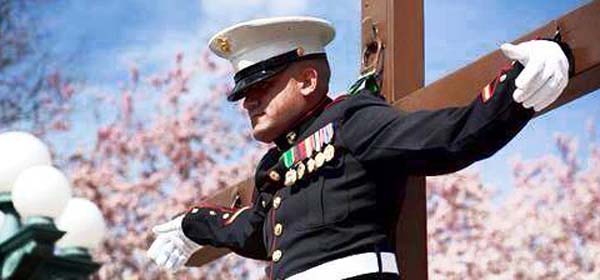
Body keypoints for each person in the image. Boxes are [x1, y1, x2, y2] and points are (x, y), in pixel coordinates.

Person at [147, 16, 571, 280]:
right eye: (244, 95)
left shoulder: (352, 120)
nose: (250, 102)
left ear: (308, 81)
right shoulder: (273, 165)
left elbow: (449, 139)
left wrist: (526, 80)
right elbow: (253, 232)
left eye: (260, 87)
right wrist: (193, 225)